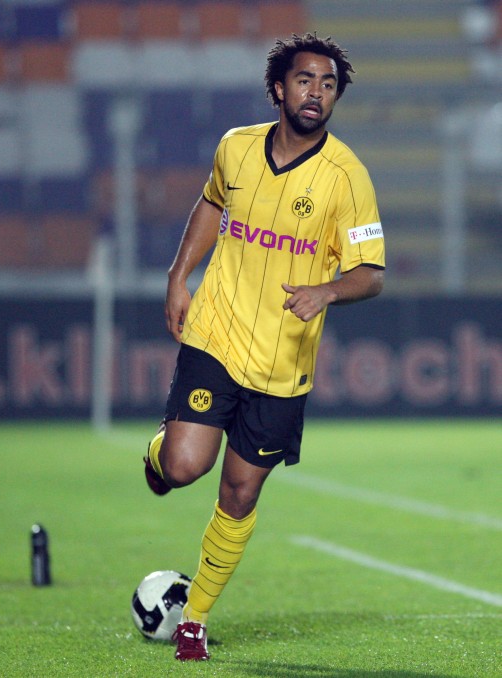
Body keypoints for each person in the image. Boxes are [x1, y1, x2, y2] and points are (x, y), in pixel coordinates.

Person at [143, 32, 385, 661]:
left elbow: (371, 274)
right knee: (184, 467)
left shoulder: (348, 178)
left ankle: (194, 618)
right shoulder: (237, 148)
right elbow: (210, 205)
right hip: (217, 335)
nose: (316, 93)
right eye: (305, 80)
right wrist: (178, 276)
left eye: (328, 84)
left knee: (240, 493)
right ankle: (162, 452)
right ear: (279, 88)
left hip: (283, 363)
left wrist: (327, 291)